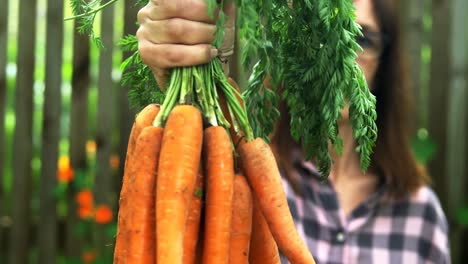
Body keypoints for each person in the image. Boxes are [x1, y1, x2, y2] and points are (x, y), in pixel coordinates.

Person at [136, 0, 450, 263]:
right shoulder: (245, 178)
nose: (341, 57)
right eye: (323, 35)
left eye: (362, 38)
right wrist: (190, 61)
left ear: (386, 61)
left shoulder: (421, 215)